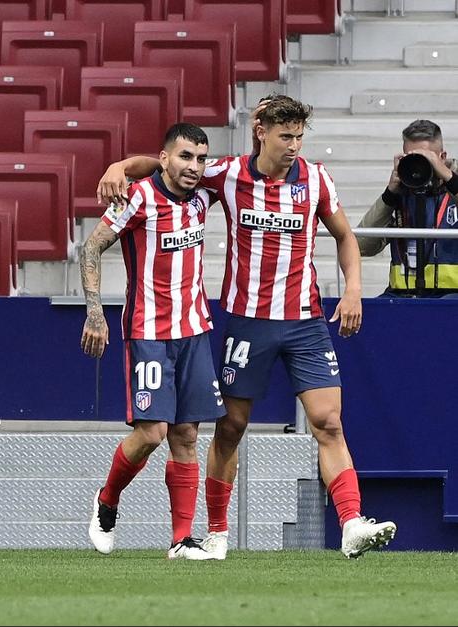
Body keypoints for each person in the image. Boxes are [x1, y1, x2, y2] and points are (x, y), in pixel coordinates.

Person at [97, 95, 396, 559]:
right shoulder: (227, 173)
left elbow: (344, 235)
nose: (294, 145)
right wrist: (121, 165)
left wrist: (353, 288)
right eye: (285, 136)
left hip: (304, 320)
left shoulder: (316, 179)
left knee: (328, 421)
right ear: (261, 131)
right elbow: (172, 168)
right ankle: (217, 533)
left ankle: (351, 522)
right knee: (231, 427)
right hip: (246, 322)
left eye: (299, 136)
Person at [82, 123, 225, 561]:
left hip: (195, 331)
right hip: (148, 333)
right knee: (151, 433)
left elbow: (255, 165)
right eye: (184, 157)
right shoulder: (140, 197)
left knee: (185, 434)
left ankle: (181, 540)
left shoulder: (205, 194)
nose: (194, 167)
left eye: (201, 159)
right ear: (163, 158)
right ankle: (107, 501)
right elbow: (91, 248)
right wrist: (94, 313)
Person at [357, 119, 458, 297]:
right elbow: (362, 246)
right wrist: (389, 195)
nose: (418, 165)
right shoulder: (399, 194)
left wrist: (448, 177)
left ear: (442, 157)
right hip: (400, 296)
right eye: (411, 158)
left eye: (426, 158)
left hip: (451, 297)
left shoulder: (453, 191)